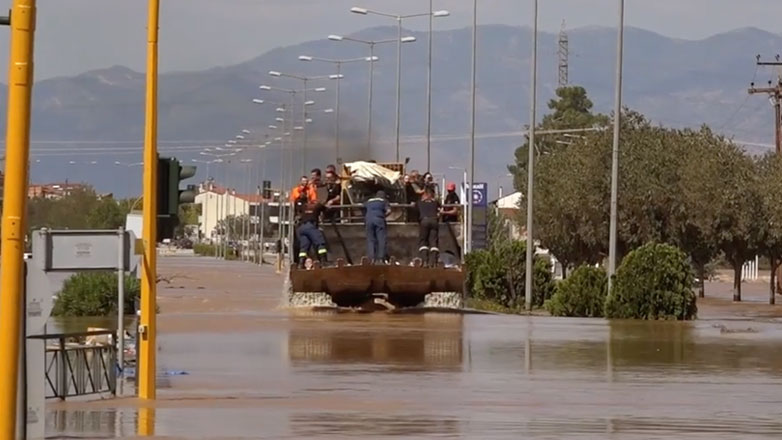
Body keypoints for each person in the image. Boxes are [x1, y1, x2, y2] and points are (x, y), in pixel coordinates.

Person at [296, 200, 328, 268]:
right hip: (310, 226)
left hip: (302, 227)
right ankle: (323, 262)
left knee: (304, 247)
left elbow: (299, 211)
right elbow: (326, 209)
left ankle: (300, 264)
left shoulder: (304, 206)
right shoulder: (317, 205)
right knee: (320, 242)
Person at [416, 187, 441, 267]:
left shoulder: (419, 202)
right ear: (431, 194)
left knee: (423, 241)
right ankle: (434, 262)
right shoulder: (435, 202)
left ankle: (425, 261)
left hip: (424, 221)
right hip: (434, 221)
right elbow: (440, 210)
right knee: (433, 241)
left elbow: (415, 211)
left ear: (425, 194)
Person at [364, 190, 390, 264]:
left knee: (371, 239)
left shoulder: (369, 201)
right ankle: (381, 258)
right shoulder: (383, 201)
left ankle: (371, 258)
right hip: (379, 219)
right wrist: (383, 216)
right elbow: (389, 211)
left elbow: (363, 207)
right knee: (381, 239)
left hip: (369, 220)